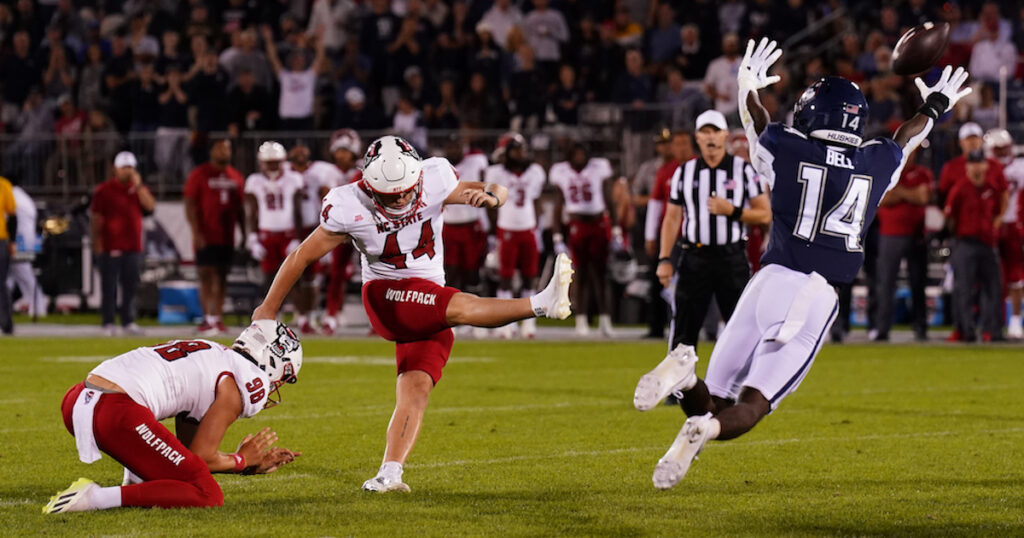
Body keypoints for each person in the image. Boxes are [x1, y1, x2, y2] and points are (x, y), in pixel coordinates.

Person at [632, 39, 971, 489]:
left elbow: (757, 123)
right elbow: (903, 139)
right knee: (753, 405)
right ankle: (706, 425)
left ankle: (686, 379)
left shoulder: (787, 147)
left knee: (710, 399)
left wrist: (746, 85)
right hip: (813, 294)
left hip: (766, 280)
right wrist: (933, 108)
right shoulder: (875, 161)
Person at [251, 135, 573, 492]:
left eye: (406, 190)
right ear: (370, 186)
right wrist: (267, 308)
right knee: (460, 306)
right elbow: (302, 257)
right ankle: (541, 303)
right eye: (392, 196)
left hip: (428, 298)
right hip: (386, 297)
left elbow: (492, 186)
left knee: (415, 390)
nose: (402, 199)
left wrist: (493, 196)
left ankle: (390, 473)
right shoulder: (347, 204)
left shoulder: (435, 176)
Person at [43, 321, 302, 513]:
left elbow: (191, 457)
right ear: (272, 362)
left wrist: (244, 465)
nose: (275, 384)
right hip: (115, 411)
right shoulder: (242, 380)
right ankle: (95, 498)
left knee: (180, 476)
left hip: (77, 399)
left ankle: (136, 477)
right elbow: (201, 458)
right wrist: (241, 459)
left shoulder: (215, 353)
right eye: (282, 376)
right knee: (208, 495)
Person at [654, 109, 771, 353]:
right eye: (705, 131)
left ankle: (740, 389)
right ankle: (678, 390)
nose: (710, 137)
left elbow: (765, 213)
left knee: (740, 329)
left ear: (725, 135)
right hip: (694, 257)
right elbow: (672, 219)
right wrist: (664, 259)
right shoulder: (684, 173)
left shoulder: (743, 170)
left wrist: (733, 211)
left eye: (715, 131)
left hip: (731, 258)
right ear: (697, 137)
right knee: (684, 329)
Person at [550, 143, 621, 337]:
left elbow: (609, 200)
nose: (580, 157)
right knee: (579, 275)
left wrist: (616, 231)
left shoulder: (599, 168)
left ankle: (605, 321)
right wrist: (557, 236)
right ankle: (581, 320)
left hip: (598, 225)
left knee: (600, 275)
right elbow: (558, 205)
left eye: (583, 153)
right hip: (576, 226)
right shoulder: (561, 171)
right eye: (576, 153)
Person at [484, 133, 547, 339]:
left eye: (522, 150)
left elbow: (536, 201)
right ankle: (505, 323)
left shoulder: (535, 172)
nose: (520, 154)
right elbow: (490, 205)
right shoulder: (496, 173)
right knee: (505, 277)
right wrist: (494, 231)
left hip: (528, 228)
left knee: (530, 277)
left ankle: (528, 323)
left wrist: (537, 227)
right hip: (507, 228)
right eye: (516, 150)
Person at [184, 138, 246, 336]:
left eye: (227, 148)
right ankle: (207, 318)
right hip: (206, 234)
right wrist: (196, 232)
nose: (223, 152)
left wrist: (243, 232)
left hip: (226, 235)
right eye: (220, 148)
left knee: (222, 276)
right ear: (211, 151)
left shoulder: (235, 177)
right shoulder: (199, 174)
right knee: (206, 275)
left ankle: (217, 317)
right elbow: (190, 204)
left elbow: (241, 209)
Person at [91, 152, 155, 336]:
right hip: (111, 245)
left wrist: (140, 186)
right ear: (116, 169)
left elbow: (150, 206)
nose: (128, 171)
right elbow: (96, 217)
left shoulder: (138, 189)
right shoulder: (104, 190)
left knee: (130, 285)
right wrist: (97, 242)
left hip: (133, 246)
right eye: (124, 167)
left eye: (131, 167)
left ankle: (128, 321)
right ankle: (108, 322)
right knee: (109, 286)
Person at [284, 143, 342, 334]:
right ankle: (301, 317)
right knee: (293, 273)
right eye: (295, 149)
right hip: (289, 229)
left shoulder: (321, 171)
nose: (300, 151)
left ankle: (310, 315)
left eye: (303, 149)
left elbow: (328, 197)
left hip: (314, 226)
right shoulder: (284, 172)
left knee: (314, 277)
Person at [946, 150, 1004, 342]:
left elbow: (999, 208)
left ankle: (992, 331)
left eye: (980, 162)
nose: (977, 166)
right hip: (965, 242)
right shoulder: (960, 188)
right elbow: (951, 217)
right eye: (973, 163)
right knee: (964, 288)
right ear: (967, 166)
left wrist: (995, 225)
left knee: (993, 288)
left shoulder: (991, 187)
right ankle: (965, 330)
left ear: (986, 165)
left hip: (987, 243)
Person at [874, 149, 931, 342]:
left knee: (918, 283)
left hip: (916, 236)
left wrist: (897, 192)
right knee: (887, 284)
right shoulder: (885, 171)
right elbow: (883, 199)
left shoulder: (923, 173)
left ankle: (920, 327)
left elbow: (922, 198)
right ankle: (882, 329)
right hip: (890, 235)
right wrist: (910, 194)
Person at [319, 129, 363, 334]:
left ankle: (376, 319)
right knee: (336, 273)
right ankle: (331, 315)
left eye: (346, 151)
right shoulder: (327, 171)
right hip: (341, 228)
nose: (342, 155)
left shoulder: (365, 168)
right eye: (339, 151)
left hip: (365, 226)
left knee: (374, 273)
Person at [244, 142, 304, 291]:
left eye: (275, 162)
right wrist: (252, 238)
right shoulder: (254, 181)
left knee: (293, 278)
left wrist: (297, 237)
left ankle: (298, 314)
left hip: (288, 234)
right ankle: (270, 314)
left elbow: (297, 211)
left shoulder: (294, 179)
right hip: (266, 235)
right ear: (261, 162)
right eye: (269, 163)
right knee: (269, 280)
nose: (272, 166)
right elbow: (252, 212)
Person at [986, 129, 1024, 339]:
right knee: (991, 278)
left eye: (1004, 148)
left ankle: (1016, 320)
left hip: (1012, 227)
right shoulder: (984, 168)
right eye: (998, 149)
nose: (1002, 153)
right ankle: (992, 321)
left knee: (1016, 277)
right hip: (990, 227)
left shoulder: (1020, 167)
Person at [441, 135, 490, 296]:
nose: (453, 150)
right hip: (448, 226)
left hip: (471, 224)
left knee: (472, 269)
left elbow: (486, 188)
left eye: (456, 146)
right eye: (450, 147)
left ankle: (473, 310)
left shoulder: (476, 161)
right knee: (450, 269)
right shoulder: (440, 168)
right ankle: (451, 306)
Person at [8, 181, 45, 318]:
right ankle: (37, 309)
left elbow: (11, 218)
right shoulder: (22, 196)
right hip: (25, 240)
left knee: (24, 276)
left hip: (19, 242)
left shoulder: (14, 195)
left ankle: (39, 309)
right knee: (9, 278)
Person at [0, 173, 15, 335]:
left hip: (1, 240)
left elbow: (12, 214)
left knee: (1, 284)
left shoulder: (3, 185)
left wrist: (12, 242)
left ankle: (6, 324)